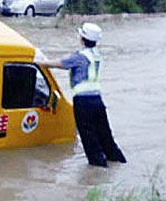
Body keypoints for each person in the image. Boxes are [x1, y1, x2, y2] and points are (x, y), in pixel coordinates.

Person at [36, 22, 126, 167]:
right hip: (98, 101)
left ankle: (98, 170)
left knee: (89, 138)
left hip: (83, 103)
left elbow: (58, 64)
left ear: (82, 38)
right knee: (105, 136)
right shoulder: (97, 55)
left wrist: (39, 61)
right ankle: (118, 163)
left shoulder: (80, 56)